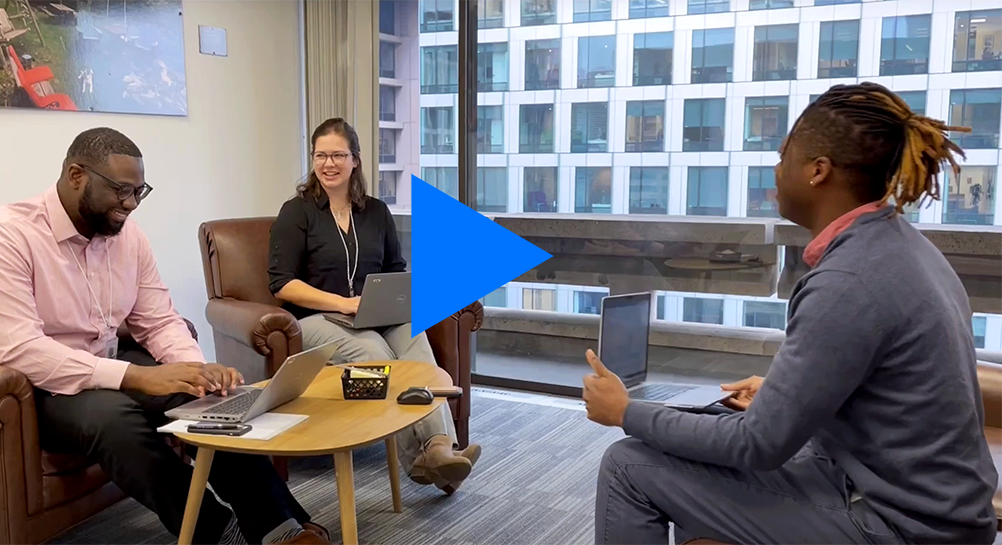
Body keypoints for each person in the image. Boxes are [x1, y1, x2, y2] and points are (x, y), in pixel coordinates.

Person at [581, 83, 999, 545]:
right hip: (920, 500)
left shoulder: (848, 280)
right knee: (697, 461)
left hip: (903, 524)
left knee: (629, 465)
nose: (775, 171)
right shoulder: (902, 246)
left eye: (783, 158)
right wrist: (784, 395)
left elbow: (757, 445)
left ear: (818, 171)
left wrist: (626, 412)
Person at [0, 128, 330, 545]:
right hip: (14, 387)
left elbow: (157, 319)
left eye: (139, 192)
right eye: (121, 191)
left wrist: (194, 369)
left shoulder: (127, 237)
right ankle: (218, 533)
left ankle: (280, 529)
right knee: (113, 419)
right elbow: (20, 349)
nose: (130, 205)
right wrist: (136, 376)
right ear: (76, 175)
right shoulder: (2, 235)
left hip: (94, 364)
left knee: (201, 399)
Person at [268, 117, 482, 494]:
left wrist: (394, 301)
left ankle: (439, 447)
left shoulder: (376, 212)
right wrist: (345, 304)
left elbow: (395, 270)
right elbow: (282, 284)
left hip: (373, 314)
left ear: (356, 160)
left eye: (338, 155)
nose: (328, 164)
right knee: (374, 352)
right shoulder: (297, 212)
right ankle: (421, 459)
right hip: (317, 318)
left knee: (416, 345)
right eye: (321, 155)